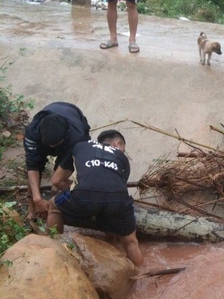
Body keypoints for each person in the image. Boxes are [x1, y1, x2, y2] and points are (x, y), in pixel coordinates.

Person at [48, 130, 143, 266]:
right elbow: (117, 187)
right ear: (117, 144)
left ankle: (53, 250)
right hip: (117, 199)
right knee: (131, 242)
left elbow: (56, 181)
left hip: (84, 195)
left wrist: (75, 188)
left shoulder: (80, 146)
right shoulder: (122, 158)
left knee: (53, 205)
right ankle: (144, 277)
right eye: (123, 149)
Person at [23, 102, 91, 220]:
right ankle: (32, 208)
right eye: (50, 145)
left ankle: (58, 200)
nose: (52, 148)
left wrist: (57, 185)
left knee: (58, 179)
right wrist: (36, 199)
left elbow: (66, 166)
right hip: (46, 134)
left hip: (74, 122)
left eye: (56, 145)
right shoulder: (32, 132)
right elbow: (32, 166)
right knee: (36, 164)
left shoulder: (77, 136)